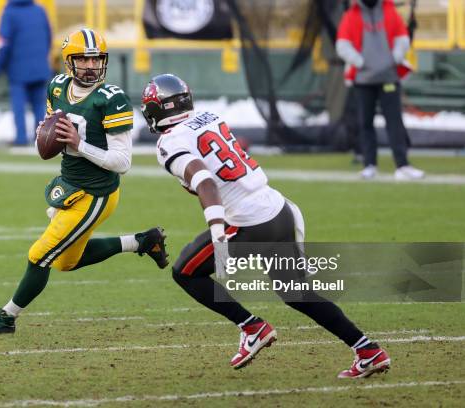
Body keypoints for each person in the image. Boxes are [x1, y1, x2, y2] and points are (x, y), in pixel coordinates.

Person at [141, 73, 391, 377]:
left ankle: (252, 327)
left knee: (185, 272)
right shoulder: (208, 117)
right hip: (278, 209)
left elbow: (206, 181)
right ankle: (367, 350)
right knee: (297, 293)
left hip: (248, 223)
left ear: (157, 110)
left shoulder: (169, 142)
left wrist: (218, 232)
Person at [0, 29, 168, 335]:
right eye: (83, 59)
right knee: (66, 262)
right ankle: (142, 242)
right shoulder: (58, 86)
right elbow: (46, 136)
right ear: (69, 62)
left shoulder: (111, 99)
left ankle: (6, 317)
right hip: (70, 185)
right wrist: (44, 139)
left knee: (39, 254)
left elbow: (123, 163)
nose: (89, 66)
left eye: (95, 59)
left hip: (97, 193)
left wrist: (78, 143)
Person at [336, 0, 424, 180]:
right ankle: (369, 165)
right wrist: (361, 62)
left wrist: (393, 59)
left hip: (388, 78)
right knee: (365, 123)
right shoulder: (351, 15)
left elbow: (402, 38)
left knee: (394, 122)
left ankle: (403, 165)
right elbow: (342, 45)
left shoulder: (390, 10)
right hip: (362, 80)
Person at [0, 0, 52, 146]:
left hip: (18, 68)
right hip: (39, 67)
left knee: (19, 106)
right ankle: (41, 138)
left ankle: (21, 138)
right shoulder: (40, 10)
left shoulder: (9, 12)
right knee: (39, 105)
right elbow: (48, 37)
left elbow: (3, 43)